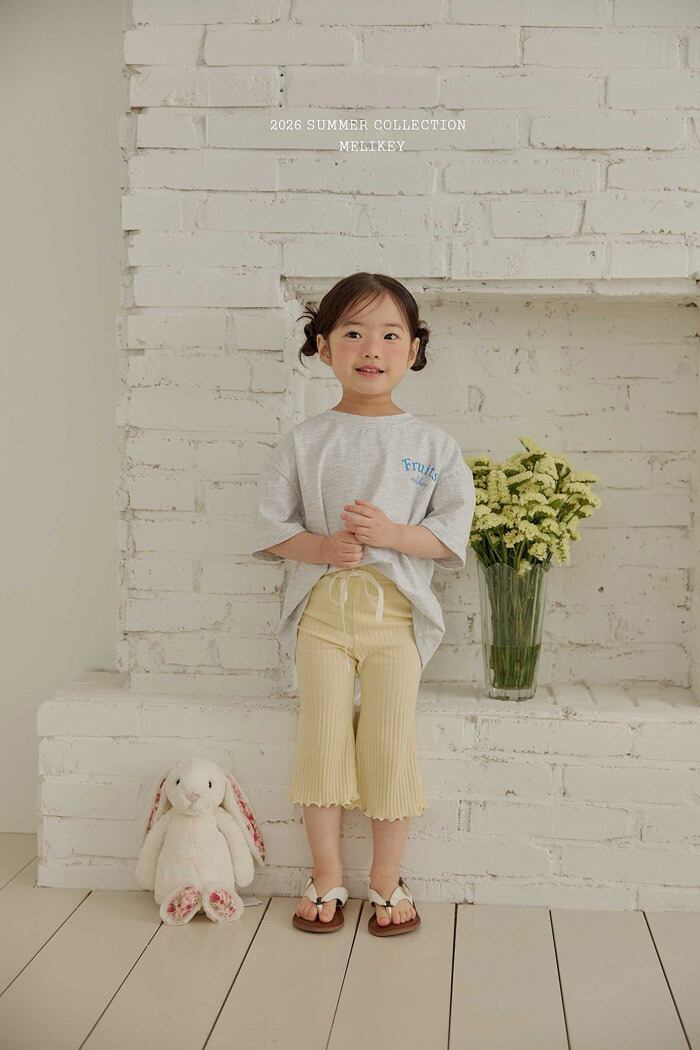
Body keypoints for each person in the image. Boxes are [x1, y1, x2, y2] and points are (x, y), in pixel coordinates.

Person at [251, 272, 475, 937]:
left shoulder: (432, 445)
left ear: (413, 350)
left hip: (395, 618)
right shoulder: (304, 440)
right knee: (322, 740)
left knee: (388, 743)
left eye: (390, 335)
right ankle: (325, 874)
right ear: (324, 347)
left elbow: (450, 535)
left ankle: (386, 878)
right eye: (352, 332)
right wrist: (324, 548)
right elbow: (271, 529)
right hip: (322, 616)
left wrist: (392, 535)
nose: (371, 348)